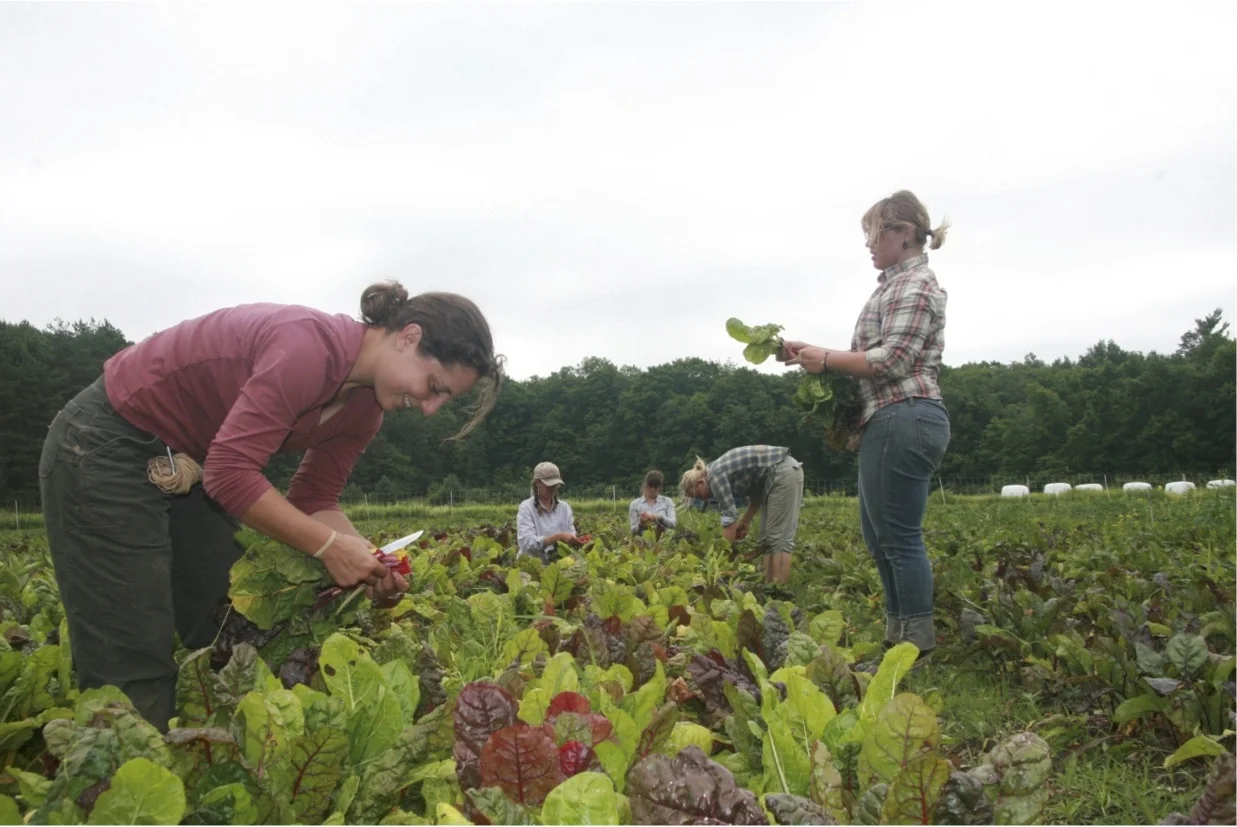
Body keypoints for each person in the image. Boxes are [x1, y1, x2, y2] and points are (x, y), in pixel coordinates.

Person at [38, 281, 503, 730]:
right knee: (130, 649)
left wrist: (370, 559)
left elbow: (314, 499)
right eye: (435, 386)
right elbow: (229, 474)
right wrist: (328, 548)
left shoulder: (365, 409)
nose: (430, 408)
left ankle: (214, 761)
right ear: (409, 337)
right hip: (106, 443)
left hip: (188, 462)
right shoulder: (307, 349)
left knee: (231, 624)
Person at [780, 189, 951, 664]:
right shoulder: (892, 286)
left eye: (875, 235)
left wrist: (828, 359)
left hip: (905, 413)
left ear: (905, 234)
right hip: (892, 417)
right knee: (881, 538)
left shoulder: (915, 285)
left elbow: (892, 359)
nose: (869, 246)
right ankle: (899, 640)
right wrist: (813, 353)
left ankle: (915, 645)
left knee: (898, 537)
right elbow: (873, 355)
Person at [678, 446, 803, 584]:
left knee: (778, 537)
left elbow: (729, 520)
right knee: (766, 538)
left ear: (700, 482)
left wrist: (721, 560)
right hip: (775, 477)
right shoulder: (718, 472)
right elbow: (756, 500)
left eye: (699, 495)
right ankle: (770, 585)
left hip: (783, 472)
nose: (704, 499)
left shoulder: (715, 477)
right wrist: (744, 522)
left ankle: (779, 588)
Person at [516, 462, 577, 561]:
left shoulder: (564, 508)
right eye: (548, 485)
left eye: (555, 485)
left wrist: (574, 541)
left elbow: (571, 535)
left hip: (559, 565)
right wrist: (558, 537)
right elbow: (527, 543)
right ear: (537, 483)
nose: (552, 489)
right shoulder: (526, 507)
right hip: (531, 566)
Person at [629, 469, 677, 536]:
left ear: (660, 487)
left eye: (655, 487)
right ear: (645, 485)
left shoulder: (667, 501)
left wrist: (660, 518)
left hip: (664, 540)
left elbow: (673, 524)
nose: (652, 489)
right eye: (650, 486)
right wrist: (641, 523)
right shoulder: (635, 504)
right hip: (643, 542)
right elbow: (632, 531)